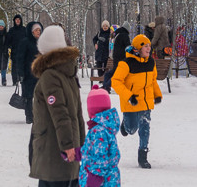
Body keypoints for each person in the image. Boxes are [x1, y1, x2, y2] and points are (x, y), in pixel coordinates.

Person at [29, 25, 85, 186]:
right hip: (68, 152)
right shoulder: (68, 73)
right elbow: (77, 114)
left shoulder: (50, 76)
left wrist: (68, 146)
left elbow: (60, 113)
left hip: (54, 152)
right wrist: (80, 143)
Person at [112, 34, 162, 169]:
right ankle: (125, 125)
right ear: (138, 48)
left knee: (145, 128)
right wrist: (129, 96)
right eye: (145, 46)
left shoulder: (151, 62)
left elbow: (152, 80)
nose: (148, 48)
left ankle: (143, 156)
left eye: (149, 46)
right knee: (132, 129)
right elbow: (115, 81)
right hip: (131, 102)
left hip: (146, 102)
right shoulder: (126, 63)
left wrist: (157, 94)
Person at [79, 86, 120, 187]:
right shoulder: (106, 127)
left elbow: (100, 158)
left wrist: (95, 179)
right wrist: (76, 153)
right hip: (110, 179)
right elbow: (92, 151)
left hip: (101, 181)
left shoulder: (98, 131)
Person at [15, 21, 42, 124]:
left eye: (39, 30)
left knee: (40, 95)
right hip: (28, 74)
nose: (38, 32)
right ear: (31, 32)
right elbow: (20, 58)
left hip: (39, 73)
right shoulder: (25, 42)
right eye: (36, 30)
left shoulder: (42, 42)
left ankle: (38, 115)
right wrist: (20, 73)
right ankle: (29, 116)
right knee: (28, 96)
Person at [103, 22, 130, 93]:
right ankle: (106, 86)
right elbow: (128, 47)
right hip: (122, 58)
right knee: (116, 74)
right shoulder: (125, 35)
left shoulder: (118, 34)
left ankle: (105, 86)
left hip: (116, 57)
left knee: (109, 73)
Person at [6, 14, 26, 85]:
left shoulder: (24, 30)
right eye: (16, 20)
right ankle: (15, 81)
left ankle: (22, 80)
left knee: (22, 67)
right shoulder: (11, 30)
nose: (17, 21)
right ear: (14, 21)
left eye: (19, 20)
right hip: (14, 52)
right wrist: (10, 46)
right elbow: (7, 40)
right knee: (14, 67)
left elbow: (28, 39)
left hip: (23, 52)